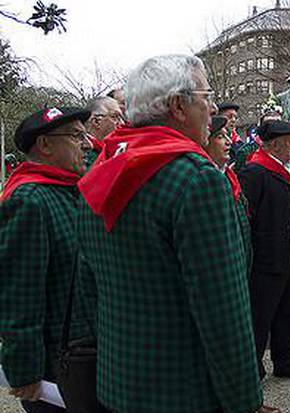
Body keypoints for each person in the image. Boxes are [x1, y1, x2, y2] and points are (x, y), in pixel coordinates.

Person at [75, 54, 275, 413]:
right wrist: (245, 400)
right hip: (184, 391)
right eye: (206, 96)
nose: (213, 107)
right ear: (178, 106)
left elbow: (90, 286)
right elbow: (223, 310)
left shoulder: (101, 169)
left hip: (118, 382)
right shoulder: (196, 178)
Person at [0, 106, 92, 413]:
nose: (88, 143)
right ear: (45, 145)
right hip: (55, 365)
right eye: (77, 136)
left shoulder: (72, 191)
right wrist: (25, 371)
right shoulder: (30, 200)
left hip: (83, 353)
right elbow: (19, 292)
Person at [237, 120, 290, 382]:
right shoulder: (255, 172)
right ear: (273, 144)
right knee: (261, 314)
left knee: (286, 310)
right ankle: (253, 364)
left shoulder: (285, 169)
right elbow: (247, 218)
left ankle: (284, 360)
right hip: (266, 257)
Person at [84, 96, 125, 168]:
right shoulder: (83, 154)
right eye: (115, 116)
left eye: (121, 118)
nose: (122, 123)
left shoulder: (113, 151)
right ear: (96, 122)